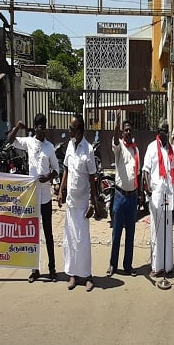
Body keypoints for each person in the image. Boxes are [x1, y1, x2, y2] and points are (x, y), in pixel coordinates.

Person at [7, 113, 60, 282]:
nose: (42, 130)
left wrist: (49, 177)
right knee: (33, 234)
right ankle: (35, 269)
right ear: (35, 128)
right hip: (31, 196)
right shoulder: (29, 142)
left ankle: (52, 269)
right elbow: (9, 141)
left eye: (44, 127)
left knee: (48, 233)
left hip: (45, 196)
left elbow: (57, 170)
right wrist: (17, 127)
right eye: (39, 127)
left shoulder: (49, 147)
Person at [58, 114, 102, 291]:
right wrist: (61, 190)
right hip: (71, 202)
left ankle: (87, 275)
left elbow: (92, 178)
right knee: (70, 239)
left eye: (72, 128)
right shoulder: (70, 145)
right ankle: (72, 274)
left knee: (82, 240)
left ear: (80, 130)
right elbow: (66, 169)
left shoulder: (88, 149)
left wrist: (93, 203)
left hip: (83, 204)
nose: (69, 130)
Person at [143, 119, 174, 277]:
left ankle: (167, 266)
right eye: (160, 130)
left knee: (167, 230)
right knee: (156, 231)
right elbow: (145, 170)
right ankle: (156, 267)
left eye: (165, 130)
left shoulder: (170, 149)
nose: (162, 133)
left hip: (167, 194)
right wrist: (147, 185)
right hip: (155, 193)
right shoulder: (151, 148)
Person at [107, 110, 139, 277]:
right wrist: (117, 124)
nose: (127, 132)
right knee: (116, 233)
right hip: (119, 197)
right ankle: (113, 264)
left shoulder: (135, 150)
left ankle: (128, 265)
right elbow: (114, 140)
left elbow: (137, 173)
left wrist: (139, 195)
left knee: (130, 235)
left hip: (132, 197)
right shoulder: (119, 147)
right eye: (125, 130)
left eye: (129, 130)